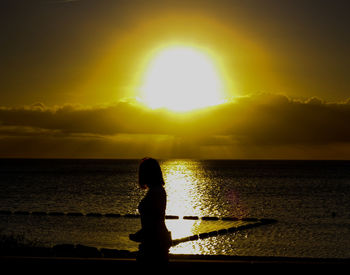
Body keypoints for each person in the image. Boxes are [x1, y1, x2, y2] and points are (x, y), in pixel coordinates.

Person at [129, 157, 172, 265]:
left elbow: (154, 221)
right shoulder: (157, 191)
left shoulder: (156, 192)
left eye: (142, 172)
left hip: (154, 242)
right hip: (154, 240)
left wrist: (140, 234)